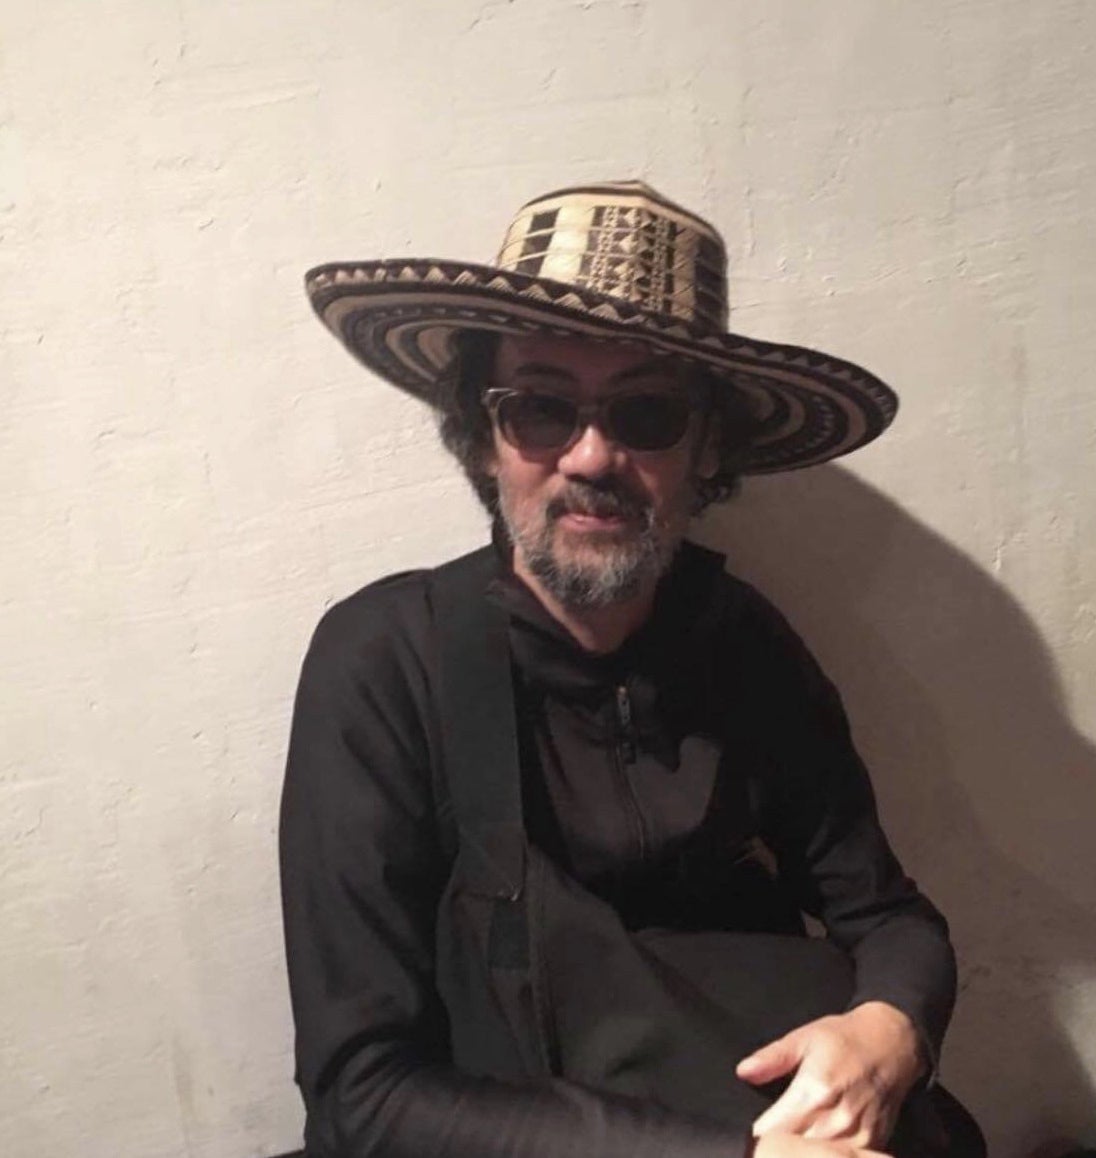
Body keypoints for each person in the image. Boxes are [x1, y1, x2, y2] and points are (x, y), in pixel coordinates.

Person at [280, 181, 982, 1158]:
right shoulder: (387, 662)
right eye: (540, 408)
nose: (592, 455)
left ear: (707, 448)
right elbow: (360, 1095)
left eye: (646, 414)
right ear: (484, 437)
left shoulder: (742, 642)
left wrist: (890, 1030)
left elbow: (889, 916)